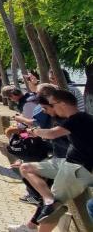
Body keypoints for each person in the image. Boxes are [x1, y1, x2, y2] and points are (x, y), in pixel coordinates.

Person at [18, 90, 93, 230]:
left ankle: (50, 204)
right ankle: (47, 198)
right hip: (67, 163)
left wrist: (34, 131)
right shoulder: (79, 119)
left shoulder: (78, 118)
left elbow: (52, 134)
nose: (47, 109)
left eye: (51, 105)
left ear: (62, 104)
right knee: (26, 168)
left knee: (53, 210)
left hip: (76, 169)